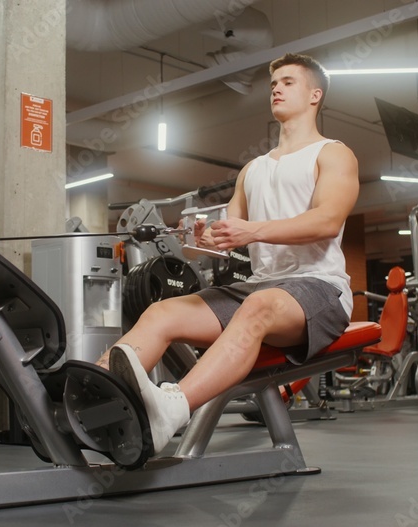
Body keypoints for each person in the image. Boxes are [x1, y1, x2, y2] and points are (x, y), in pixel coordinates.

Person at [97, 52, 360, 455]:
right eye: (274, 83)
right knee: (161, 312)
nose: (276, 89)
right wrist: (204, 238)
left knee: (259, 306)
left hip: (319, 287)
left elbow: (327, 221)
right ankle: (92, 397)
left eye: (288, 82)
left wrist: (252, 230)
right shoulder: (253, 169)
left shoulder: (333, 153)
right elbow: (225, 236)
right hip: (261, 287)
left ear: (315, 95)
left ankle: (172, 410)